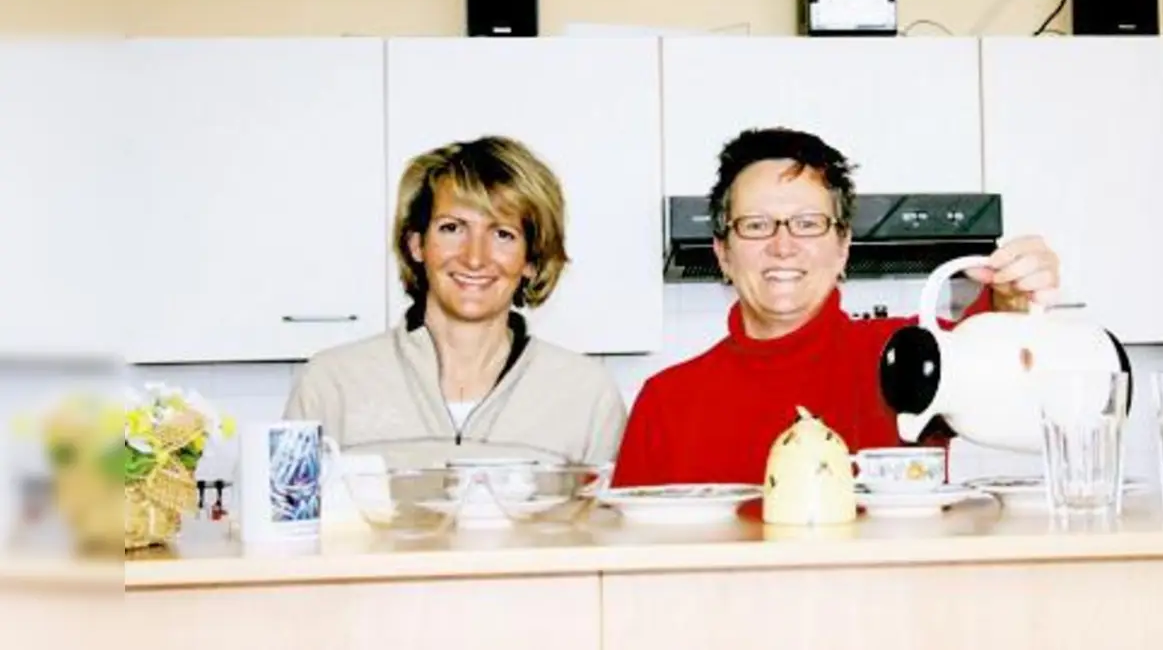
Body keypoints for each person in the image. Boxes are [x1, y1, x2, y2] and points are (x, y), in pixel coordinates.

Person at [609, 127, 1062, 488]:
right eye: (756, 225)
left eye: (808, 224)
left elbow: (1017, 391)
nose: (783, 246)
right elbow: (635, 567)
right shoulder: (666, 403)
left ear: (843, 246)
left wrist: (1011, 307)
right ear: (723, 252)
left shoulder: (910, 355)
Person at [284, 136, 626, 470]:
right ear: (416, 244)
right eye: (452, 228)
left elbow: (612, 526)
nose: (474, 258)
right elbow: (281, 520)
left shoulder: (587, 394)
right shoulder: (331, 384)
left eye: (503, 234)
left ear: (531, 261)